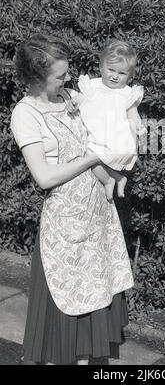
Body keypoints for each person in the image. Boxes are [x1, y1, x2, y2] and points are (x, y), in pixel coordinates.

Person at [10, 34, 134, 365]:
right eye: (60, 76)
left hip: (96, 221)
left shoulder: (70, 98)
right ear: (37, 78)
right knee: (59, 331)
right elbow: (45, 176)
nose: (68, 79)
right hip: (63, 233)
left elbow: (108, 113)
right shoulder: (26, 115)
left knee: (91, 323)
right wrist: (93, 158)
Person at [73, 40, 146, 202]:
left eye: (121, 73)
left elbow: (132, 114)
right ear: (101, 67)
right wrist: (76, 101)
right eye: (111, 70)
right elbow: (82, 98)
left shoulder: (127, 93)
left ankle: (109, 181)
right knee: (91, 158)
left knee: (92, 159)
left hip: (115, 137)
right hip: (94, 133)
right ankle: (116, 179)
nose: (114, 76)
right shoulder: (92, 85)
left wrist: (139, 128)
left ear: (130, 76)